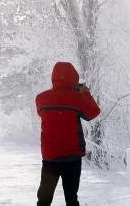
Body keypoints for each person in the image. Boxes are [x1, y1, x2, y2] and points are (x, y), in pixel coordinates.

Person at [35, 61, 101, 206]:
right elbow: (93, 113)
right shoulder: (76, 98)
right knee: (71, 198)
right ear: (73, 78)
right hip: (72, 156)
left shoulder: (41, 98)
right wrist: (85, 93)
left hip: (50, 156)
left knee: (44, 199)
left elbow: (42, 114)